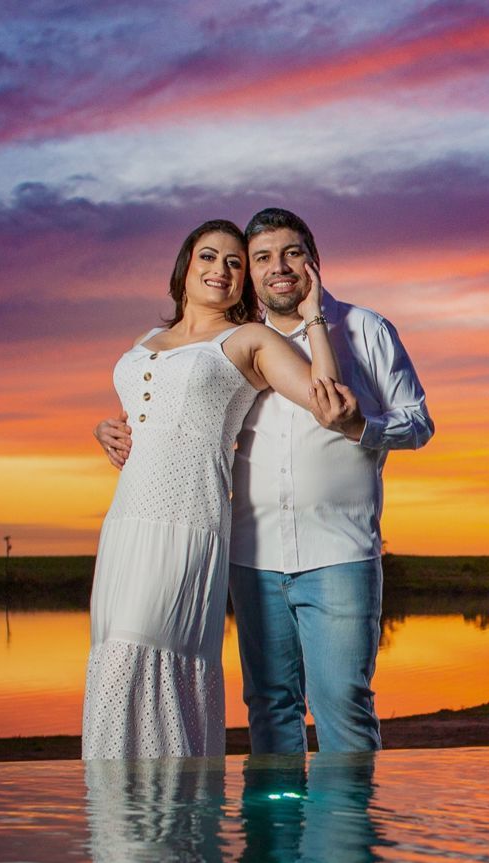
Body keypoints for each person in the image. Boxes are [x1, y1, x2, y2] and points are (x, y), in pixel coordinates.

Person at [96, 207, 434, 756]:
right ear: (250, 276)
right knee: (269, 706)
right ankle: (275, 839)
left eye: (292, 253)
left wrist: (363, 426)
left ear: (315, 263)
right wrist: (109, 428)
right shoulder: (230, 342)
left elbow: (418, 422)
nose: (278, 267)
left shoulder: (364, 329)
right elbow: (174, 413)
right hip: (252, 552)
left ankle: (343, 838)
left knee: (343, 702)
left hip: (339, 549)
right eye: (261, 258)